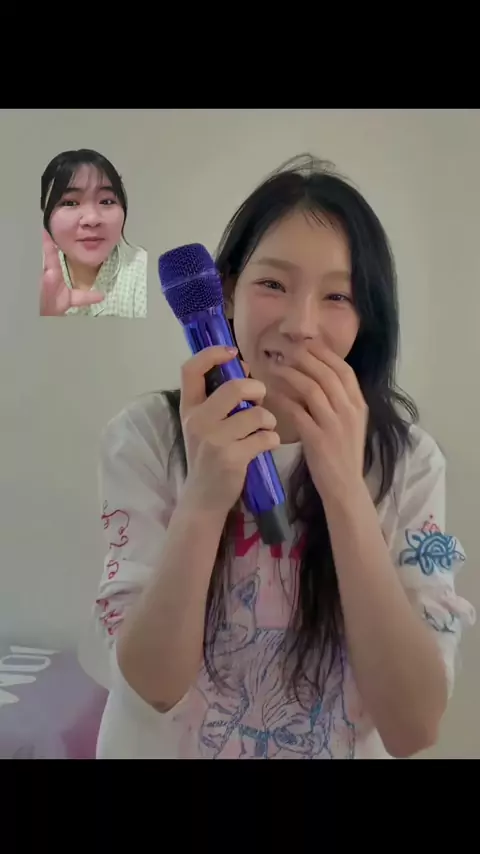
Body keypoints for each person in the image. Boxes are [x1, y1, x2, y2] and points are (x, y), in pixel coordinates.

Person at [93, 154, 475, 759]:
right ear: (224, 293)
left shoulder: (409, 463)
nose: (301, 325)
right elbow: (154, 685)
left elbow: (412, 729)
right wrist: (204, 499)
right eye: (273, 285)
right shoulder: (146, 438)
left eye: (337, 296)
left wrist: (344, 489)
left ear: (366, 319)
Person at [40, 148, 147, 318]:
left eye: (106, 201)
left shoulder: (145, 273)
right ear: (46, 214)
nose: (92, 219)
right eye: (70, 203)